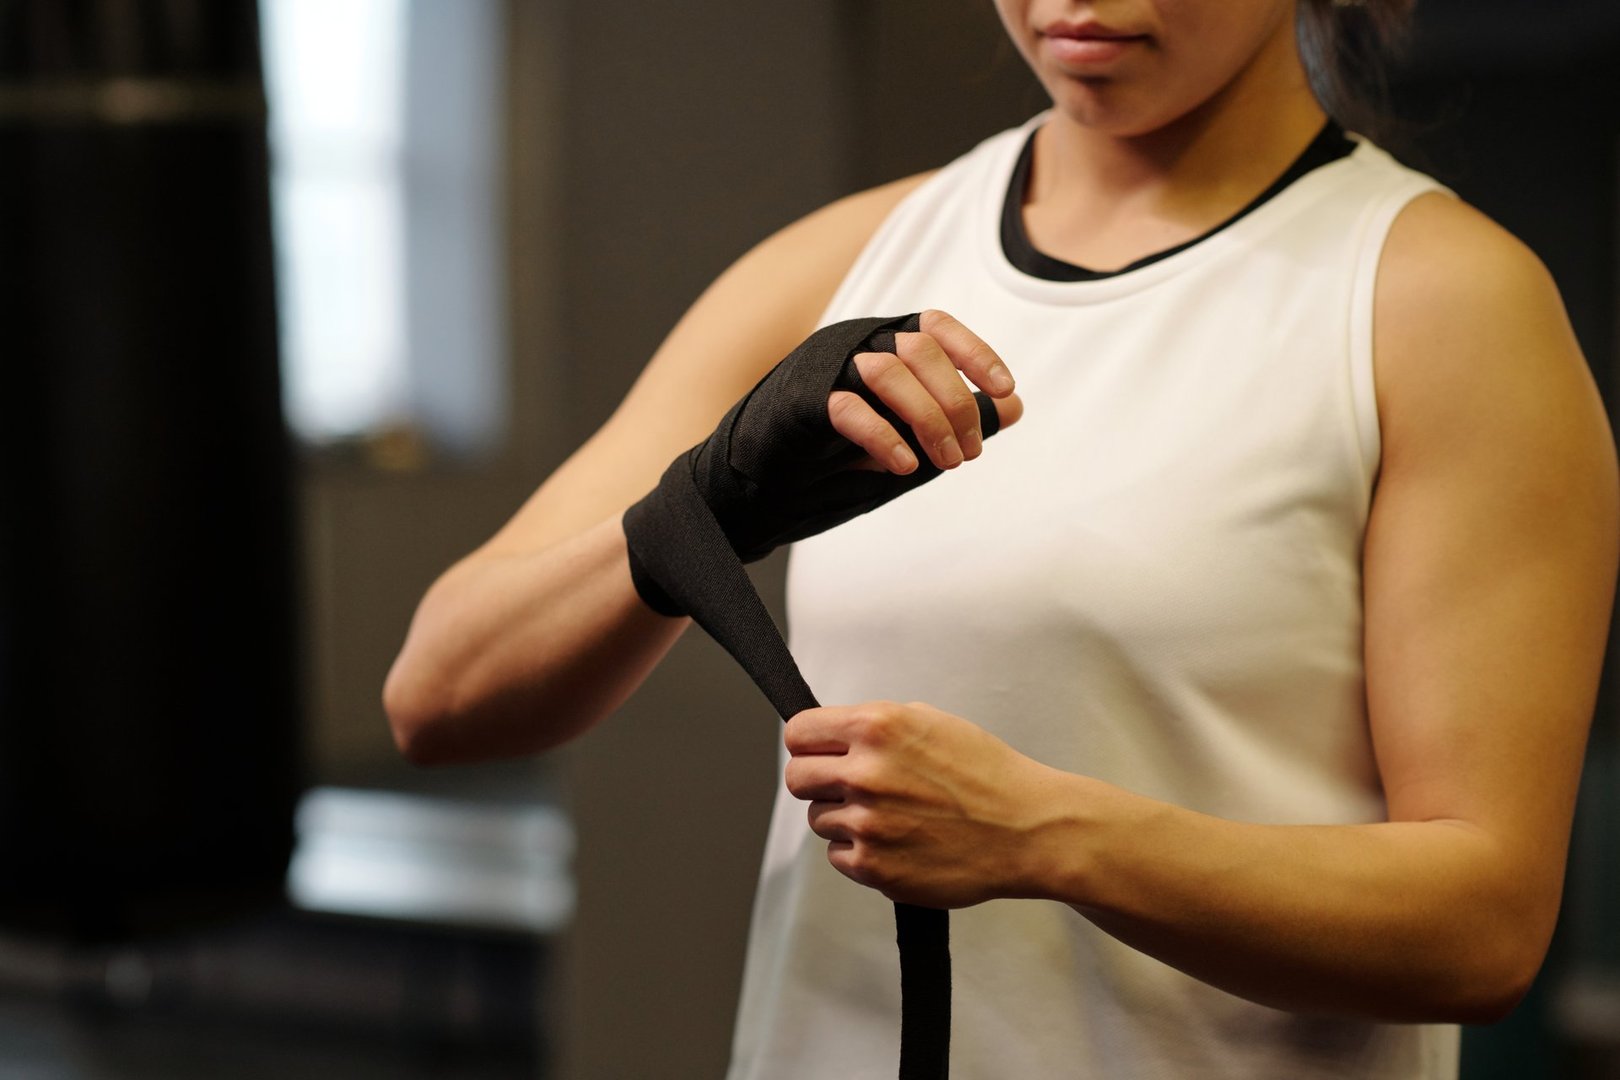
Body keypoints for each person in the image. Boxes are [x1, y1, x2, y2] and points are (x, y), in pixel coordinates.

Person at [383, 0, 1620, 1075]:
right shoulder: (848, 260)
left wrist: (1047, 835)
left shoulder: (1436, 302)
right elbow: (437, 697)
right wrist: (708, 504)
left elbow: (1483, 928)